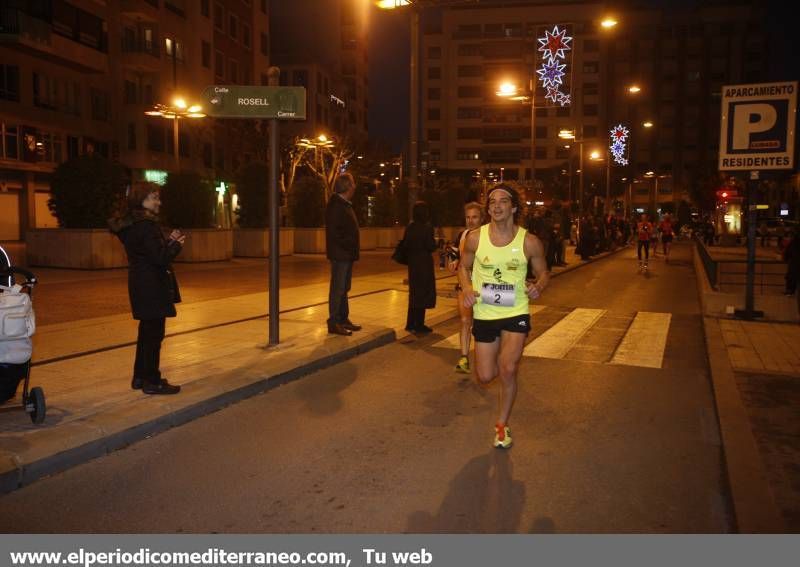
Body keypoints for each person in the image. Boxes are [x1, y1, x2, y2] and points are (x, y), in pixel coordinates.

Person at [458, 184, 550, 449]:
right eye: (492, 202)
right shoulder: (475, 238)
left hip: (515, 311)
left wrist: (538, 286)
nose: (496, 206)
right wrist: (466, 288)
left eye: (503, 201)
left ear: (514, 207)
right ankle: (499, 363)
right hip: (485, 312)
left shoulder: (529, 241)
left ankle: (502, 425)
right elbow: (463, 268)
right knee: (486, 376)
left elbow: (544, 273)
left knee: (508, 369)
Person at [109, 182, 185, 395]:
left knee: (146, 334)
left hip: (140, 284)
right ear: (141, 200)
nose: (158, 202)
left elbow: (147, 252)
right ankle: (152, 380)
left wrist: (167, 241)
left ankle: (140, 377)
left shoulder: (132, 225)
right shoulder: (146, 226)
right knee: (153, 336)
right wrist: (176, 245)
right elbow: (160, 259)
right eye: (154, 198)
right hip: (152, 286)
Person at [447, 202, 483, 373]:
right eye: (468, 217)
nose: (470, 220)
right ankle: (464, 358)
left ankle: (486, 357)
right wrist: (453, 261)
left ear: (482, 218)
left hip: (484, 287)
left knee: (483, 325)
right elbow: (454, 252)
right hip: (465, 285)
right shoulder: (463, 235)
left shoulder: (490, 236)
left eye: (474, 217)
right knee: (464, 321)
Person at [325, 173, 361, 336]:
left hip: (346, 254)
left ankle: (342, 318)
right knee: (338, 288)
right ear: (347, 187)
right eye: (353, 183)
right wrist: (349, 244)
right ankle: (334, 322)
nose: (355, 186)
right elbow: (335, 233)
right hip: (341, 254)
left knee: (344, 288)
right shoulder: (336, 206)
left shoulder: (344, 204)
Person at [404, 201, 438, 334]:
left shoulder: (410, 227)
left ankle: (410, 323)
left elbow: (406, 244)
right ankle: (419, 324)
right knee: (423, 294)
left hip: (413, 264)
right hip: (424, 264)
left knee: (414, 294)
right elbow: (430, 246)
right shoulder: (427, 227)